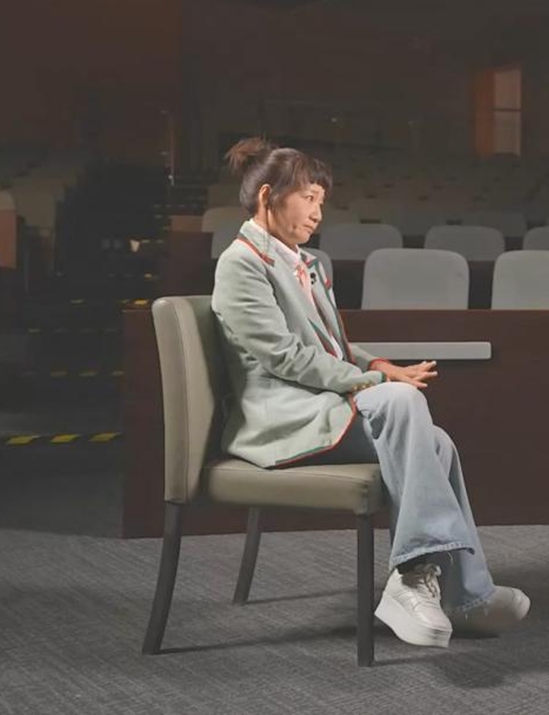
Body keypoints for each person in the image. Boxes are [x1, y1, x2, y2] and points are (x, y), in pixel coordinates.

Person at [211, 137, 528, 650]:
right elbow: (286, 358)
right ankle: (411, 578)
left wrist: (378, 364)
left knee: (438, 443)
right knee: (402, 403)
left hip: (319, 407)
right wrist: (379, 383)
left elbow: (332, 346)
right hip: (279, 418)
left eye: (321, 200)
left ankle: (466, 595)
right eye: (308, 198)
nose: (317, 212)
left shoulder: (305, 263)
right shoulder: (241, 263)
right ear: (268, 196)